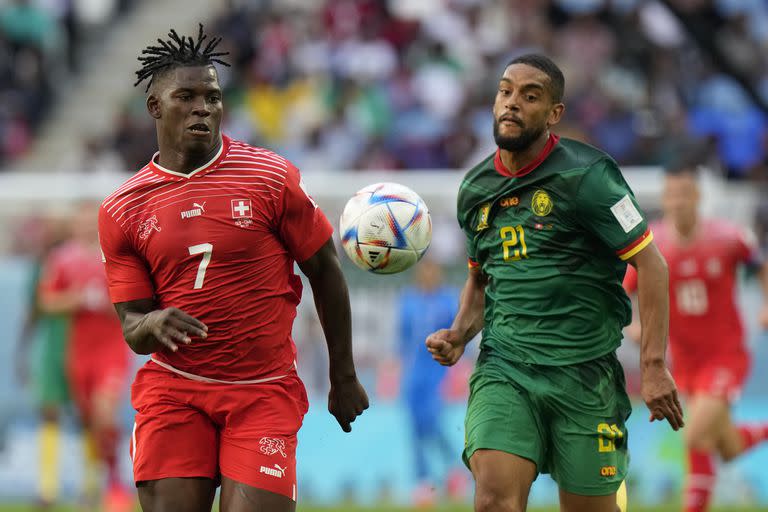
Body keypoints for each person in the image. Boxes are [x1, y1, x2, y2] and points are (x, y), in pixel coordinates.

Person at [97, 25, 369, 512]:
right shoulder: (122, 209)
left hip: (262, 392)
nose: (203, 107)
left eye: (213, 97)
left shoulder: (270, 177)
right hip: (175, 391)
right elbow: (133, 328)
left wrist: (343, 375)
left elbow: (326, 270)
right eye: (187, 96)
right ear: (155, 106)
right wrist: (152, 322)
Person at [425, 53, 683, 512]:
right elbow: (482, 281)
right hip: (506, 368)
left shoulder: (589, 176)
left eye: (530, 96)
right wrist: (459, 333)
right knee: (493, 501)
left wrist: (654, 364)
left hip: (585, 375)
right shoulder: (475, 190)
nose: (512, 104)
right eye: (505, 91)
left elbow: (652, 264)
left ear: (554, 113)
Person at [623, 163, 768, 512]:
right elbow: (627, 292)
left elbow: (761, 265)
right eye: (672, 195)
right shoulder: (652, 245)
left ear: (698, 196)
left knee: (694, 435)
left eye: (684, 194)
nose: (678, 202)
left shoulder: (728, 238)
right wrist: (634, 326)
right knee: (727, 446)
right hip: (683, 361)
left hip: (726, 355)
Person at [38, 202, 134, 512]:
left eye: (89, 221)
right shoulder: (61, 259)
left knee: (104, 412)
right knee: (89, 421)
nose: (84, 226)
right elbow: (46, 302)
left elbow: (133, 302)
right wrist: (77, 298)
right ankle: (94, 484)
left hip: (111, 350)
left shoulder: (117, 257)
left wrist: (111, 304)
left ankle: (116, 485)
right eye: (79, 220)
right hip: (79, 352)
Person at [15, 216, 71, 510]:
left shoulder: (83, 261)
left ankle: (94, 485)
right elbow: (32, 312)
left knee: (91, 414)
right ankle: (47, 488)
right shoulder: (40, 267)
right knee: (49, 413)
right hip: (50, 347)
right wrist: (21, 354)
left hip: (80, 345)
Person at [398, 258, 462, 505]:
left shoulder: (447, 301)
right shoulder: (408, 301)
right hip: (413, 376)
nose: (427, 275)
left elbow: (458, 339)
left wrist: (457, 371)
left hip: (437, 373)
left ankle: (453, 471)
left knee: (433, 424)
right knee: (414, 430)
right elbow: (402, 339)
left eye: (432, 270)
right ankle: (423, 482)